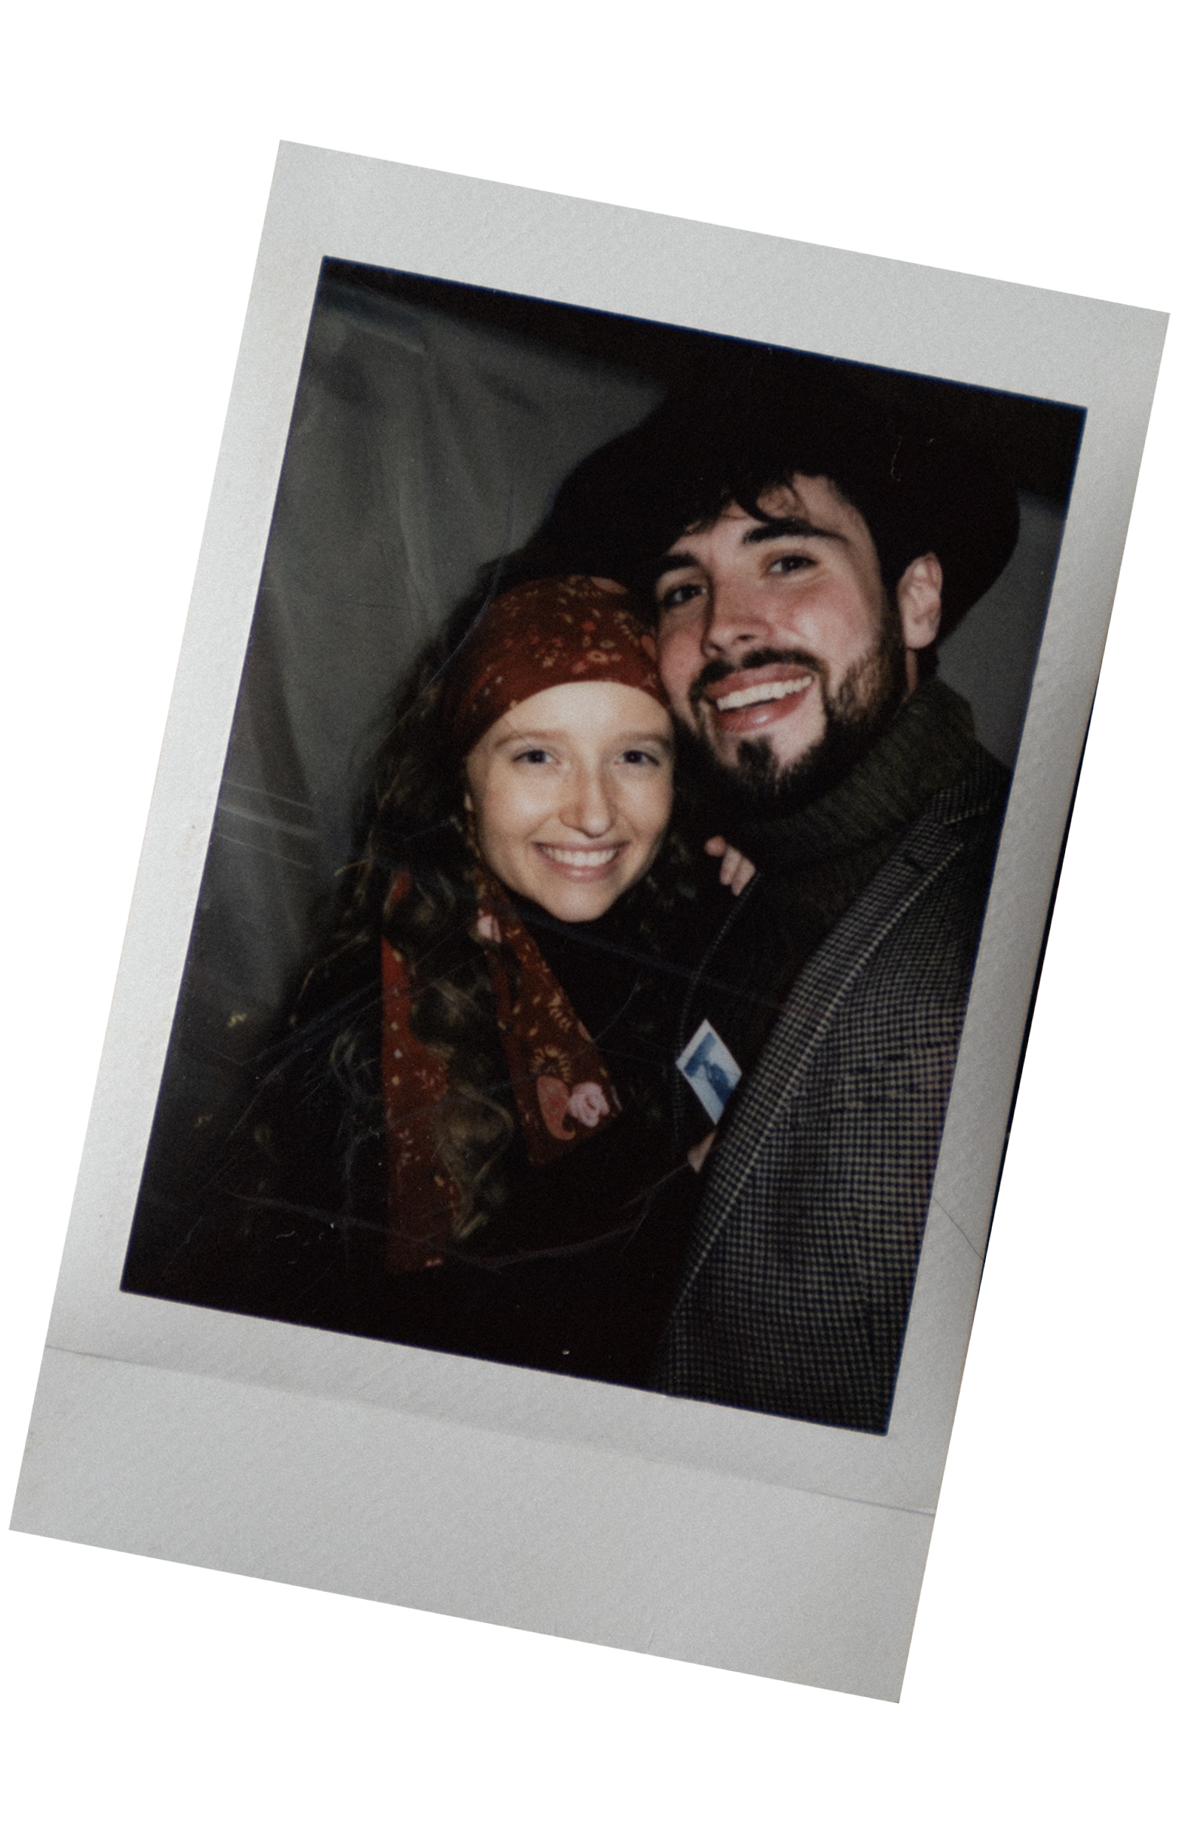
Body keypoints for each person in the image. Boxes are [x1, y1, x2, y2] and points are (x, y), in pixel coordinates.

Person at [532, 371, 1022, 1433]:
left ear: (917, 599)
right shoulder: (737, 869)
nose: (723, 630)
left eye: (787, 559)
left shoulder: (1004, 934)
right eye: (681, 589)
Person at [146, 574, 747, 1387]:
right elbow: (432, 1349)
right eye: (537, 755)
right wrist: (693, 1188)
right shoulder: (370, 1021)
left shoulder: (673, 921)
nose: (596, 812)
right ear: (462, 785)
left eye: (635, 756)